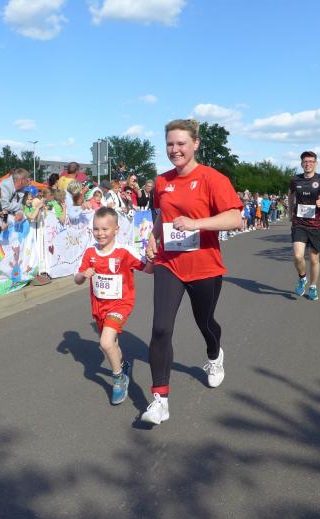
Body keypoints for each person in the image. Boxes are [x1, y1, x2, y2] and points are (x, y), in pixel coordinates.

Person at [141, 119, 243, 426]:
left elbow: (235, 218)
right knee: (161, 328)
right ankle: (160, 400)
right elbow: (163, 216)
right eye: (170, 144)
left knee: (205, 322)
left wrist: (195, 224)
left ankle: (214, 355)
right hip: (169, 264)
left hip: (204, 266)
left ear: (195, 144)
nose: (175, 150)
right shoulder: (162, 181)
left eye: (181, 143)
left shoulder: (213, 178)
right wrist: (153, 238)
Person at [75, 206, 152, 405]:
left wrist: (153, 258)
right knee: (113, 344)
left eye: (105, 229)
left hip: (120, 304)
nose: (100, 233)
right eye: (96, 229)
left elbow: (148, 269)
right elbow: (77, 279)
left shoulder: (124, 252)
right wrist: (83, 275)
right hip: (99, 306)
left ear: (116, 229)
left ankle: (118, 379)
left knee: (106, 342)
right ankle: (123, 365)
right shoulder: (90, 252)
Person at [287, 151, 320, 301]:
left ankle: (313, 286)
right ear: (301, 163)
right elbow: (290, 194)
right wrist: (290, 211)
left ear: (316, 163)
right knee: (298, 256)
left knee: (314, 259)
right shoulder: (295, 180)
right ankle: (302, 277)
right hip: (299, 223)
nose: (308, 164)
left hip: (316, 224)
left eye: (311, 161)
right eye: (305, 161)